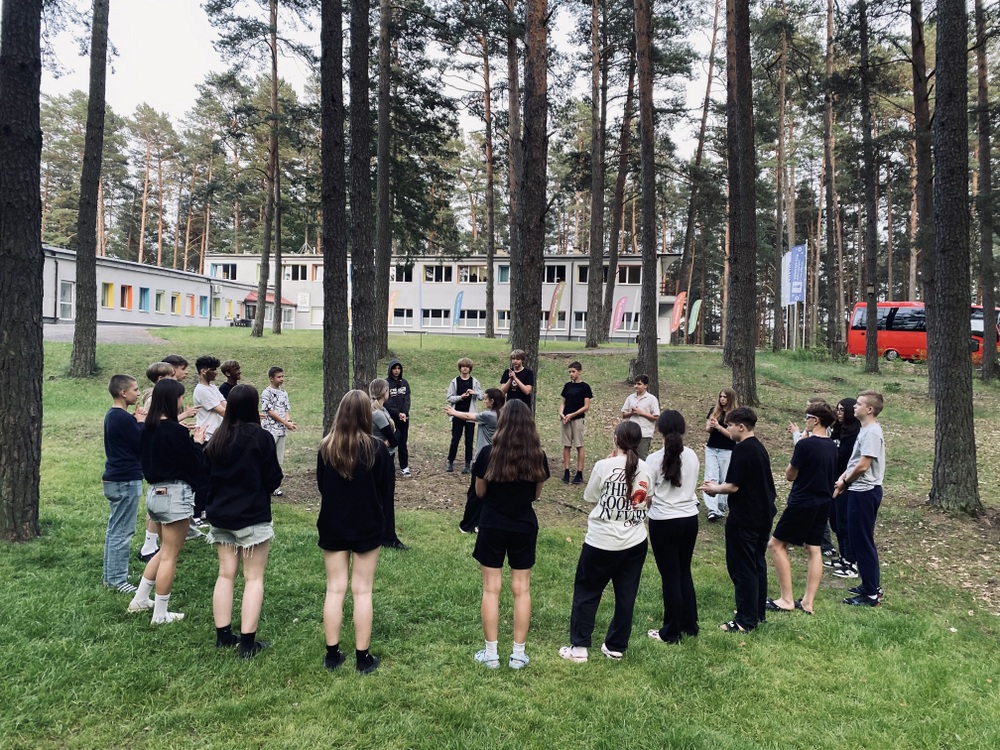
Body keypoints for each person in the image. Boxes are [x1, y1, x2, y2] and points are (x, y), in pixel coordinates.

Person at [559, 421, 652, 663]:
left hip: (602, 541)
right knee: (626, 594)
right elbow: (648, 499)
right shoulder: (646, 468)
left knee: (587, 591)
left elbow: (590, 496)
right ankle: (616, 646)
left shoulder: (604, 466)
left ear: (616, 439)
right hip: (635, 539)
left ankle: (579, 648)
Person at [204, 384, 283, 658]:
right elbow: (274, 477)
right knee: (253, 578)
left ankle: (224, 635)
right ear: (252, 406)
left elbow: (206, 476)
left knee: (225, 574)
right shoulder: (261, 437)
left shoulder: (218, 437)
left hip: (220, 516)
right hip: (252, 516)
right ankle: (247, 644)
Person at [317, 389, 392, 674]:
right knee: (362, 591)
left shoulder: (326, 447)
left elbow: (323, 486)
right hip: (367, 524)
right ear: (365, 415)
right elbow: (385, 489)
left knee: (335, 588)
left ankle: (332, 655)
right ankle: (363, 658)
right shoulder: (377, 449)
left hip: (333, 523)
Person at [470, 400, 549, 669]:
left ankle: (491, 653)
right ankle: (518, 654)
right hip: (523, 524)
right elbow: (536, 495)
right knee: (521, 589)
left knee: (491, 589)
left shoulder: (487, 454)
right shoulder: (537, 455)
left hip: (492, 522)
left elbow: (480, 492)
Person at [128, 378, 207, 623]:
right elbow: (193, 464)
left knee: (163, 551)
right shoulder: (175, 431)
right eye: (181, 397)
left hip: (154, 494)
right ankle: (160, 613)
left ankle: (140, 599)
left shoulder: (147, 429)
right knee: (170, 555)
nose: (183, 401)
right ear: (173, 400)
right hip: (175, 495)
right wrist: (197, 443)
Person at [700, 407, 776, 633]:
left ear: (741, 427)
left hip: (745, 518)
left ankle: (745, 620)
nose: (728, 429)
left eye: (730, 425)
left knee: (742, 568)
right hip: (763, 515)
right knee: (757, 564)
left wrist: (714, 489)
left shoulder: (742, 449)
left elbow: (733, 486)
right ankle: (756, 612)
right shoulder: (759, 447)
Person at [765, 403, 838, 615]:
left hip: (803, 501)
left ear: (816, 420)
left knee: (776, 545)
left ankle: (786, 599)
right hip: (824, 502)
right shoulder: (832, 446)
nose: (805, 421)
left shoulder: (805, 445)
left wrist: (801, 445)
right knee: (814, 548)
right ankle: (807, 602)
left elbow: (790, 475)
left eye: (807, 417)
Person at [644, 410, 700, 643]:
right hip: (689, 519)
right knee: (684, 571)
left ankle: (671, 632)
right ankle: (690, 624)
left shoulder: (653, 460)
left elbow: (647, 494)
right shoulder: (693, 456)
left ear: (659, 429)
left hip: (664, 521)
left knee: (670, 576)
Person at [834, 390, 886, 607]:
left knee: (862, 542)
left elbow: (864, 465)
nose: (854, 406)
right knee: (858, 541)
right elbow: (856, 462)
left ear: (870, 409)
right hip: (857, 490)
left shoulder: (872, 432)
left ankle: (871, 594)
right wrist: (843, 477)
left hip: (865, 492)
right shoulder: (865, 429)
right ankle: (869, 585)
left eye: (859, 404)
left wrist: (845, 482)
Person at [101, 374, 146, 594]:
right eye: (135, 390)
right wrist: (141, 422)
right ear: (123, 392)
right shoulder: (123, 418)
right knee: (122, 531)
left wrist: (135, 421)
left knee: (115, 529)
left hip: (115, 478)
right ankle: (117, 580)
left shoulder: (113, 416)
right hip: (125, 479)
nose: (138, 393)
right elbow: (141, 444)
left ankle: (110, 576)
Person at [450, 388, 506, 533]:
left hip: (483, 459)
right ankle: (482, 523)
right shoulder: (504, 415)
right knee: (490, 493)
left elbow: (468, 415)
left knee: (475, 493)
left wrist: (453, 412)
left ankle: (467, 525)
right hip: (497, 459)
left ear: (492, 401)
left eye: (486, 399)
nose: (484, 401)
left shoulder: (489, 415)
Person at [371, 378, 407, 550]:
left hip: (384, 456)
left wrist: (395, 433)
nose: (389, 392)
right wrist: (396, 433)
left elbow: (395, 435)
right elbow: (395, 439)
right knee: (385, 497)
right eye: (387, 390)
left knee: (382, 496)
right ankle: (388, 537)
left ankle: (382, 534)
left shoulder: (382, 409)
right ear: (383, 392)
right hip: (383, 459)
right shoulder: (377, 413)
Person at [827, 398, 861, 578]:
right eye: (837, 409)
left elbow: (850, 460)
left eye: (842, 410)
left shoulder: (855, 433)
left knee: (845, 522)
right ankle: (842, 556)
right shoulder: (837, 430)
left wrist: (845, 481)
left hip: (847, 483)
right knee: (836, 521)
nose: (838, 413)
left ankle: (851, 561)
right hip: (833, 480)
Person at [702, 387, 737, 522]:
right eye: (721, 396)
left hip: (727, 449)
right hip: (712, 448)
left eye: (725, 397)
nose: (722, 399)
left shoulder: (735, 415)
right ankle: (712, 509)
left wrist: (719, 427)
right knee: (711, 477)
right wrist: (711, 425)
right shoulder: (714, 410)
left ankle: (721, 507)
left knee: (724, 478)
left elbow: (732, 436)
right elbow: (707, 429)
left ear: (730, 398)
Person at [261, 366, 296, 497]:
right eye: (279, 377)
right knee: (267, 457)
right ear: (271, 378)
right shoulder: (266, 393)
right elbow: (269, 411)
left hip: (281, 430)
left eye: (282, 376)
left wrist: (289, 421)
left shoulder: (284, 393)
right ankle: (263, 484)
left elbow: (286, 409)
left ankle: (275, 486)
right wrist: (285, 422)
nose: (281, 379)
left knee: (278, 459)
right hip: (270, 429)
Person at [446, 357, 484, 474]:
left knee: (469, 440)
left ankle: (468, 463)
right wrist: (461, 397)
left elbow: (482, 396)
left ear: (470, 368)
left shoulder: (475, 382)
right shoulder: (454, 381)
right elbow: (449, 398)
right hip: (457, 414)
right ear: (460, 368)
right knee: (455, 439)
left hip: (470, 415)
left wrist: (474, 392)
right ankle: (450, 461)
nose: (465, 369)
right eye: (463, 366)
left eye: (467, 367)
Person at [560, 361, 593, 484]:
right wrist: (561, 413)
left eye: (573, 371)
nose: (571, 374)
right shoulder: (567, 386)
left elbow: (586, 406)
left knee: (579, 445)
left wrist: (573, 414)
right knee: (566, 445)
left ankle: (579, 473)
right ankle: (566, 471)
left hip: (578, 419)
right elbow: (563, 402)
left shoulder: (585, 387)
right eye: (569, 372)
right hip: (566, 419)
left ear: (579, 372)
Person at [620, 374, 660, 459]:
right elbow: (624, 414)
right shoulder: (630, 398)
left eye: (639, 384)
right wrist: (632, 413)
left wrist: (641, 413)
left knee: (641, 458)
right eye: (635, 384)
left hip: (644, 433)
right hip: (630, 433)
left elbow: (656, 417)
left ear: (645, 385)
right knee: (629, 457)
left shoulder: (652, 399)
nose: (636, 386)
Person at [385, 358, 412, 476]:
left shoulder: (404, 383)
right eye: (394, 369)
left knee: (403, 441)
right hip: (391, 418)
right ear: (390, 370)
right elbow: (387, 402)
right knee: (390, 441)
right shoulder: (386, 383)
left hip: (404, 418)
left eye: (398, 368)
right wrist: (397, 413)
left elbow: (407, 400)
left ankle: (404, 466)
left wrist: (404, 413)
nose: (396, 371)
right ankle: (387, 465)